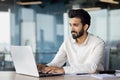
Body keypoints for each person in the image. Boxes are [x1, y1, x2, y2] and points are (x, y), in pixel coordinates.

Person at [37, 9, 105, 74]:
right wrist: (44, 67)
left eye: (75, 25)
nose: (72, 29)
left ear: (85, 27)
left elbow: (91, 67)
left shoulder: (98, 42)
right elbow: (57, 62)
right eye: (70, 25)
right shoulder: (67, 42)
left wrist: (63, 70)